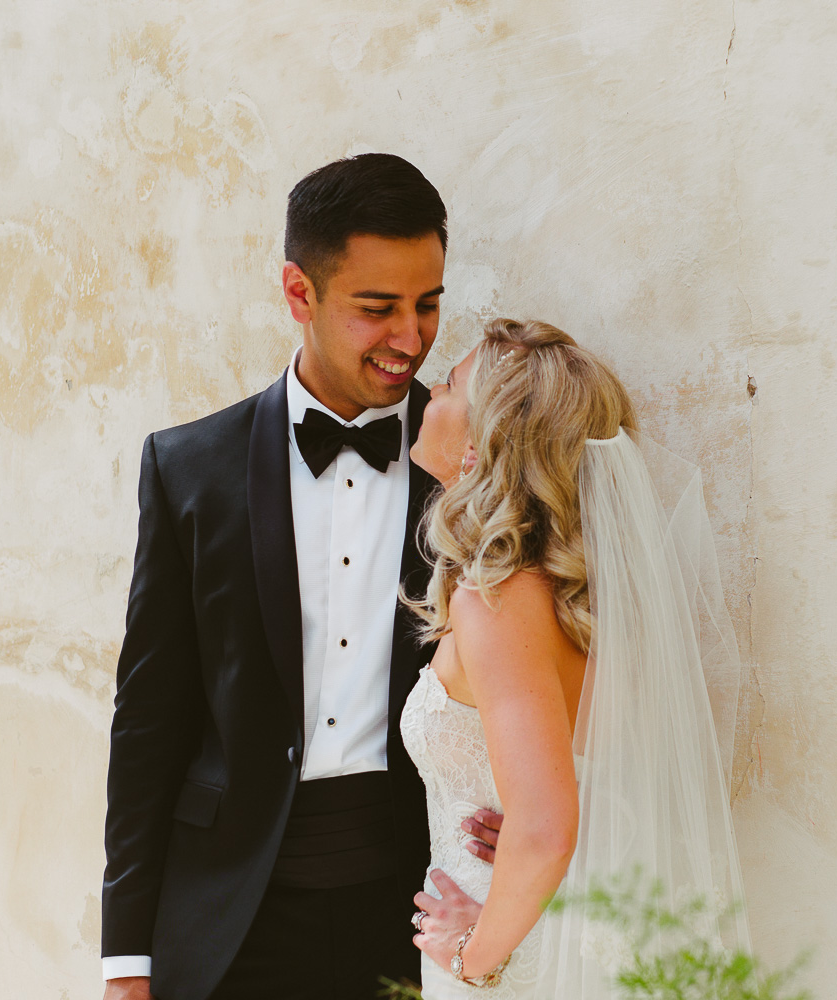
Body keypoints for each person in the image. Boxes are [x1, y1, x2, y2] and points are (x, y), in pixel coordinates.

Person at [101, 153, 502, 1000]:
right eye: (376, 308)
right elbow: (148, 721)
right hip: (227, 913)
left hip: (417, 901)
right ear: (299, 293)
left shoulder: (474, 468)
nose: (410, 336)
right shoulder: (187, 467)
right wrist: (126, 958)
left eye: (427, 303)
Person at [400, 319, 750, 998]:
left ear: (478, 448)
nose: (428, 396)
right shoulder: (578, 600)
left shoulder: (496, 602)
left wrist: (475, 960)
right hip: (559, 926)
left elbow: (543, 830)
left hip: (512, 949)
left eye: (444, 386)